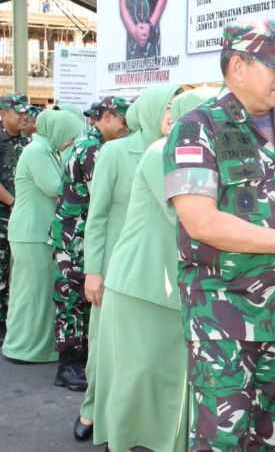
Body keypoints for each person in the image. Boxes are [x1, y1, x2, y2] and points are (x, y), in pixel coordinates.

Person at [164, 19, 275, 450]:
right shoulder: (198, 129)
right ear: (238, 65)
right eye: (274, 67)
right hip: (225, 323)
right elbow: (201, 221)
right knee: (224, 441)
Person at [91, 89, 210, 452]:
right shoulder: (162, 153)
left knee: (166, 378)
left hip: (168, 287)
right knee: (136, 377)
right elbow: (194, 221)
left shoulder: (191, 155)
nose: (171, 115)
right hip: (142, 285)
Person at [74, 84, 182, 442]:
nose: (172, 116)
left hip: (157, 267)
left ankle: (144, 426)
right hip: (114, 267)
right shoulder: (117, 151)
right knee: (105, 351)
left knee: (144, 359)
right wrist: (93, 271)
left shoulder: (183, 154)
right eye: (167, 108)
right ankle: (92, 412)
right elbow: (97, 215)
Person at [49, 97, 130, 392]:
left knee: (81, 300)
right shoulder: (93, 149)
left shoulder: (92, 144)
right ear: (107, 117)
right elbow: (103, 197)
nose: (128, 128)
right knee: (70, 298)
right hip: (75, 236)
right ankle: (67, 365)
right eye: (123, 120)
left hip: (78, 234)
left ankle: (78, 359)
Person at [2, 110, 84, 363]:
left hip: (37, 230)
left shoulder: (46, 151)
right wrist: (73, 159)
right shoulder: (37, 152)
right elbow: (55, 187)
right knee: (32, 293)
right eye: (69, 137)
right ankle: (26, 348)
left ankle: (35, 346)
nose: (70, 142)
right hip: (31, 231)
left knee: (36, 291)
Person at [0, 94, 31, 342]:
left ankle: (12, 323)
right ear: (3, 113)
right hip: (4, 215)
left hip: (22, 217)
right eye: (18, 112)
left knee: (16, 273)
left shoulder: (27, 141)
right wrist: (14, 203)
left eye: (25, 112)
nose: (24, 116)